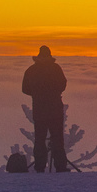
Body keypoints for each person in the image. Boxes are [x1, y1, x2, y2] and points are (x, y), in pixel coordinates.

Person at [21, 45, 69, 173]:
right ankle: (60, 166)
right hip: (55, 110)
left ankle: (39, 166)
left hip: (39, 110)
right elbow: (63, 85)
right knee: (57, 138)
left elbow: (25, 89)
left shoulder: (31, 70)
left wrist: (37, 94)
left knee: (39, 139)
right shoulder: (56, 69)